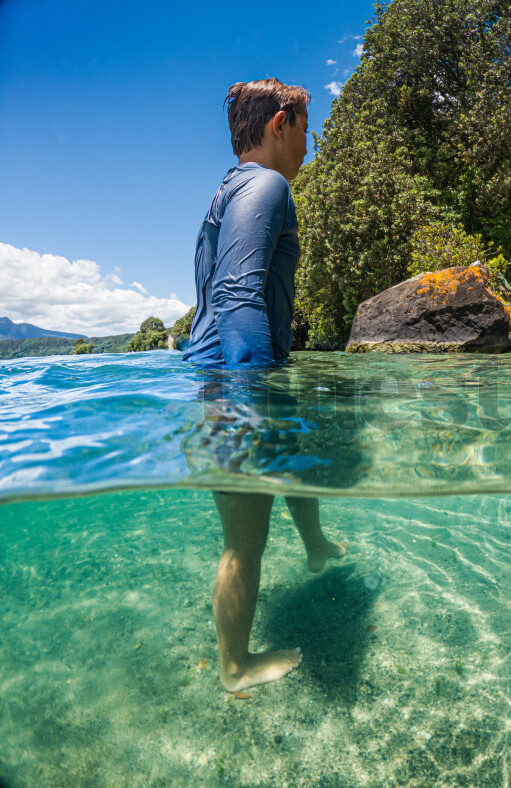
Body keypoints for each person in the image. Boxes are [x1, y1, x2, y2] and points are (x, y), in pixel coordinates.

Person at [184, 78, 346, 692]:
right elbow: (237, 293)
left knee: (294, 461)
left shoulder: (229, 189)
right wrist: (252, 404)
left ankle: (317, 544)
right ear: (281, 123)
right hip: (239, 380)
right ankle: (234, 667)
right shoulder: (266, 184)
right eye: (307, 127)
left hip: (242, 371)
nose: (310, 142)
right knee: (244, 543)